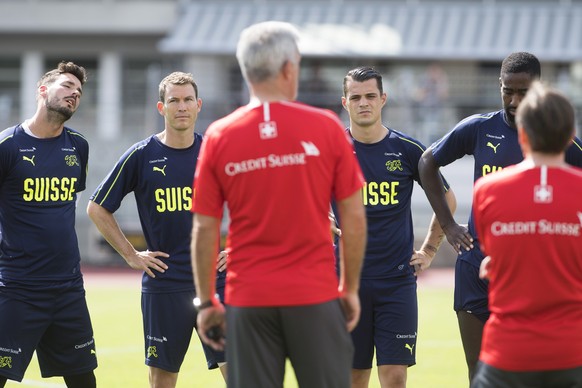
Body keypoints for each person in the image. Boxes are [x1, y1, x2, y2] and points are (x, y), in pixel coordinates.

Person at [190, 21, 367, 388]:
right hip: (314, 295)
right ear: (289, 68)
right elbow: (353, 217)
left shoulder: (220, 135)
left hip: (248, 299)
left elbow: (205, 227)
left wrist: (207, 301)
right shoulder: (327, 126)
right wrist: (349, 288)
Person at [418, 52, 582, 383]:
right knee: (480, 373)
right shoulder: (479, 128)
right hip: (476, 263)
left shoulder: (567, 146)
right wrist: (449, 226)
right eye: (508, 90)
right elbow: (427, 162)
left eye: (523, 92)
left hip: (532, 271)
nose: (514, 100)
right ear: (499, 86)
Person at [86, 72, 227, 387]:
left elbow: (254, 201)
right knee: (162, 380)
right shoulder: (141, 155)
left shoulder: (216, 151)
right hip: (164, 284)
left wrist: (240, 248)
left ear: (198, 105)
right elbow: (97, 207)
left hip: (216, 281)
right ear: (161, 107)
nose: (181, 107)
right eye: (173, 100)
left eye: (187, 99)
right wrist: (131, 254)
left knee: (240, 372)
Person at [340, 66, 456, 388]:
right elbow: (303, 198)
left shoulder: (407, 149)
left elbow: (448, 199)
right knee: (354, 376)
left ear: (383, 99)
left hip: (396, 283)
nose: (364, 103)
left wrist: (430, 249)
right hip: (347, 282)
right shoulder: (331, 149)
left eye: (370, 96)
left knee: (394, 376)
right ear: (344, 102)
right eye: (356, 97)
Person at [471, 82, 582, 387]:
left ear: (522, 135)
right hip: (573, 352)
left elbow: (494, 255)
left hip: (507, 354)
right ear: (571, 136)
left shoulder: (486, 191)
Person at [0, 61, 97, 388]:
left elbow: (72, 201)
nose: (74, 94)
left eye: (79, 92)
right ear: (42, 90)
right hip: (17, 288)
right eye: (67, 86)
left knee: (84, 380)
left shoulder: (78, 146)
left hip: (68, 288)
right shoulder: (8, 146)